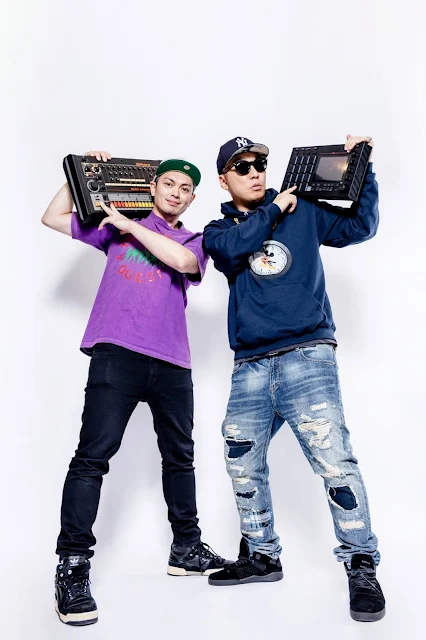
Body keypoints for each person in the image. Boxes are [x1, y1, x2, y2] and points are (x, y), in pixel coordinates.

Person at [42, 150, 230, 626]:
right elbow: (53, 216)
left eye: (186, 189)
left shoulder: (193, 239)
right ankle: (72, 566)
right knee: (92, 458)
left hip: (172, 363)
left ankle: (186, 548)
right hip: (117, 354)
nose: (176, 193)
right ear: (152, 188)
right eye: (169, 184)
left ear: (191, 199)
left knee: (180, 458)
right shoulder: (115, 225)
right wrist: (84, 173)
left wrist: (130, 227)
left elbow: (183, 261)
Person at [202, 135, 385, 622]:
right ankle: (262, 555)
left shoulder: (301, 210)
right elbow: (235, 248)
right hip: (251, 366)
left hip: (308, 355)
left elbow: (360, 226)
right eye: (242, 167)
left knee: (334, 461)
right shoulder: (218, 231)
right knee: (242, 461)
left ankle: (361, 563)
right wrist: (274, 209)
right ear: (224, 180)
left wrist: (362, 166)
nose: (255, 172)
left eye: (259, 163)